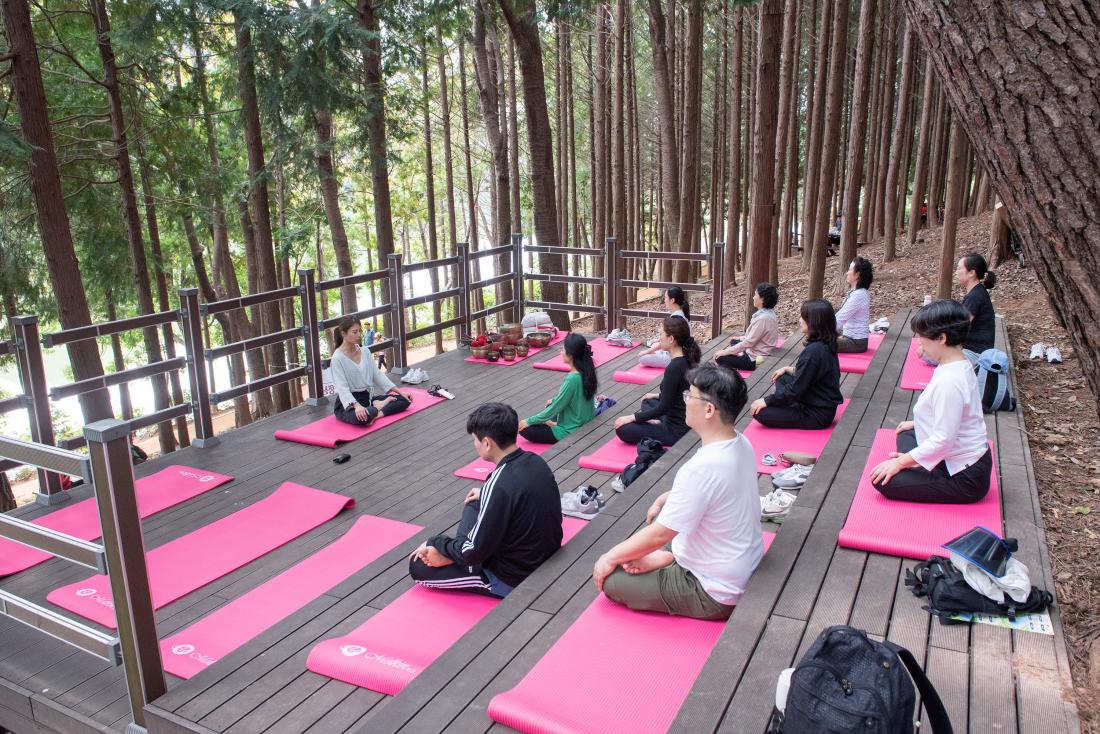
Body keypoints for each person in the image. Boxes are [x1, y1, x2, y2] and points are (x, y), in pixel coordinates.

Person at [594, 364, 764, 620]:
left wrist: (609, 557)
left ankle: (669, 560)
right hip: (739, 560)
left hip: (713, 589)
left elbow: (660, 533)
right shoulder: (740, 442)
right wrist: (667, 497)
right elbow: (716, 491)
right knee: (650, 541)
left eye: (690, 395)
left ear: (709, 409)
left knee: (613, 580)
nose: (685, 400)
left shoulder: (701, 468)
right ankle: (668, 557)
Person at [409, 403, 563, 597]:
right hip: (543, 553)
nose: (474, 445)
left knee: (417, 567)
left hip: (514, 576)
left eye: (475, 440)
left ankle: (456, 557)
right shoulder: (535, 461)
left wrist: (436, 543)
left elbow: (473, 552)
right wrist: (485, 495)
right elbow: (518, 495)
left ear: (488, 443)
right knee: (476, 500)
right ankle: (456, 552)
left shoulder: (499, 484)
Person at [869, 300, 992, 503]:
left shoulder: (950, 381)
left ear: (942, 338)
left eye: (922, 337)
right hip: (956, 456)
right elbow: (960, 416)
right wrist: (917, 424)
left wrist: (901, 463)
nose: (919, 342)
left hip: (964, 477)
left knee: (882, 481)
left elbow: (944, 440)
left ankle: (924, 465)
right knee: (907, 432)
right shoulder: (958, 362)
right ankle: (922, 462)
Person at [749, 299, 843, 430]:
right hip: (819, 402)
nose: (799, 320)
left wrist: (766, 400)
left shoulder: (814, 351)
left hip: (816, 415)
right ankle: (787, 406)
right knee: (783, 377)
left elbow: (795, 391)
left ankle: (788, 408)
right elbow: (815, 373)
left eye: (803, 317)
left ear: (813, 322)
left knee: (760, 412)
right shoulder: (825, 343)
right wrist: (789, 369)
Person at [614, 316, 701, 446]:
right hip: (680, 415)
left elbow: (664, 407)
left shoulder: (674, 367)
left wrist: (633, 417)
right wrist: (656, 395)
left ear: (671, 339)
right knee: (648, 401)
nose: (659, 337)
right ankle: (656, 421)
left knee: (622, 428)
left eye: (661, 334)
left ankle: (657, 423)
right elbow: (678, 395)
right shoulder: (686, 360)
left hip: (675, 430)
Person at [329, 318, 412, 426]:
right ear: (343, 333)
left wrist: (400, 392)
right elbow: (342, 387)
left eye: (360, 331)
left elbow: (377, 375)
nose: (359, 335)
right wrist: (357, 406)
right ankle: (376, 407)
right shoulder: (337, 358)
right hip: (349, 404)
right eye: (354, 332)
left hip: (367, 398)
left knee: (405, 400)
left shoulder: (365, 351)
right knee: (363, 417)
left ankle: (377, 412)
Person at [519, 333, 597, 444]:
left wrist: (529, 421)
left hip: (571, 430)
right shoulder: (587, 370)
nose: (560, 352)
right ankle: (553, 422)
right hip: (584, 420)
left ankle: (554, 424)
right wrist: (554, 401)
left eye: (563, 350)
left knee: (525, 429)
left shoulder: (572, 379)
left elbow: (556, 407)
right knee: (550, 404)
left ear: (570, 355)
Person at [714, 282, 780, 371]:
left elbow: (749, 343)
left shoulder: (763, 319)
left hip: (755, 358)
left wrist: (725, 352)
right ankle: (739, 353)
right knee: (734, 341)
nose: (753, 297)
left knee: (719, 358)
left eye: (755, 294)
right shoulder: (769, 313)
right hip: (757, 348)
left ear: (762, 299)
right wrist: (740, 338)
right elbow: (753, 337)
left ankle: (731, 371)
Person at [638, 286, 691, 368]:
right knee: (654, 344)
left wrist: (646, 351)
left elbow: (667, 341)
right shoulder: (681, 313)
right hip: (677, 350)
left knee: (643, 358)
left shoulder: (676, 318)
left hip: (675, 356)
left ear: (672, 300)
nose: (664, 300)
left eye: (666, 297)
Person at [957, 252, 997, 354]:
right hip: (972, 349)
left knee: (928, 354)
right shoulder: (978, 291)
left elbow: (959, 327)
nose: (956, 272)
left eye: (959, 268)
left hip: (975, 354)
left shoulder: (975, 296)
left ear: (971, 273)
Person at [835, 257, 874, 353]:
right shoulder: (857, 292)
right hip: (849, 335)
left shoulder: (859, 295)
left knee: (813, 341)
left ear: (857, 274)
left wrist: (820, 331)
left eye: (850, 270)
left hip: (855, 342)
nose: (847, 273)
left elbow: (840, 319)